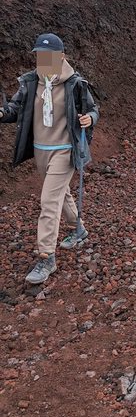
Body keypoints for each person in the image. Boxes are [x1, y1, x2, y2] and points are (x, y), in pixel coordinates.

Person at [0, 33, 99, 285]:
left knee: (48, 201)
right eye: (39, 56)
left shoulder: (75, 83)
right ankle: (78, 229)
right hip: (40, 150)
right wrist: (3, 113)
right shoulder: (31, 82)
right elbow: (15, 109)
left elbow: (93, 109)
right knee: (60, 192)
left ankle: (46, 257)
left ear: (61, 56)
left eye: (48, 56)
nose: (43, 60)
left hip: (65, 149)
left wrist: (89, 119)